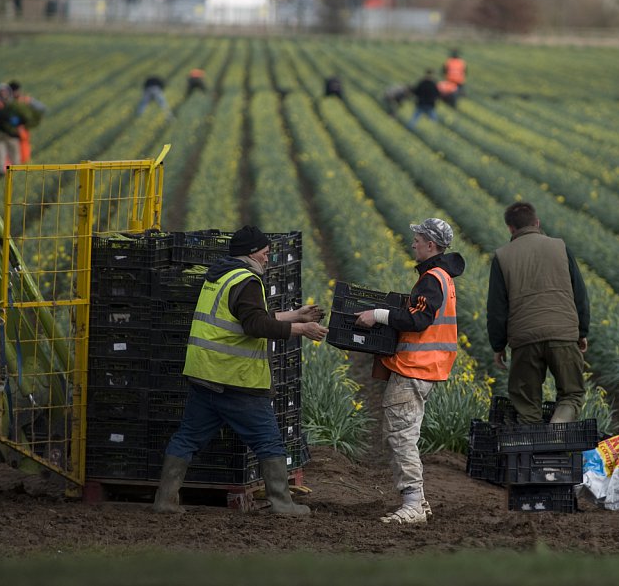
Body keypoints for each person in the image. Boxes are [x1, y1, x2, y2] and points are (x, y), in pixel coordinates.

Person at [153, 225, 328, 515]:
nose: (267, 258)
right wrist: (302, 328)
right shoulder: (247, 280)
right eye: (265, 253)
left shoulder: (221, 275)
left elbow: (244, 316)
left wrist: (295, 314)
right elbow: (254, 325)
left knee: (188, 437)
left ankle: (165, 500)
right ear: (251, 253)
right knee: (268, 439)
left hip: (204, 375)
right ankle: (283, 504)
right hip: (234, 379)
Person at [353, 218, 464, 525]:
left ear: (431, 244)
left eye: (417, 239)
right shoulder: (443, 276)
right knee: (404, 434)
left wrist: (376, 315)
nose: (413, 243)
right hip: (426, 369)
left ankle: (413, 503)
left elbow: (418, 320)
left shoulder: (432, 278)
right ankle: (419, 503)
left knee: (401, 436)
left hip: (414, 369)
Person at [487, 202, 590, 425]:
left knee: (526, 404)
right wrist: (581, 331)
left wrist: (498, 345)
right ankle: (556, 434)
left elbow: (496, 308)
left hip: (525, 340)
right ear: (537, 223)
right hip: (562, 334)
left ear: (510, 228)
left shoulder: (502, 257)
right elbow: (579, 293)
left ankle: (531, 452)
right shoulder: (560, 247)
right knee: (571, 394)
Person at [0, 84, 29, 177]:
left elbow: (21, 117)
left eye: (5, 92)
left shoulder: (13, 104)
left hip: (12, 134)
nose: (3, 94)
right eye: (1, 92)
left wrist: (17, 121)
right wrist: (10, 117)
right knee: (0, 153)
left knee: (14, 153)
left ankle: (16, 171)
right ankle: (1, 172)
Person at [8, 81, 46, 164]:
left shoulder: (25, 100)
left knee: (23, 153)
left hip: (21, 131)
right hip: (11, 131)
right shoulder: (8, 103)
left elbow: (41, 108)